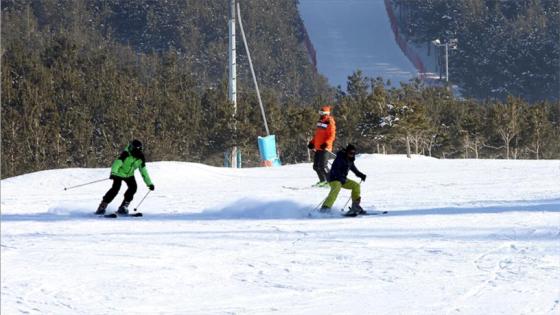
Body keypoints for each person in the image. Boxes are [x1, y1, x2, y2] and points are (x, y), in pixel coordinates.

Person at [95, 139, 155, 215]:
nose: (131, 148)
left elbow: (143, 171)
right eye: (131, 147)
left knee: (133, 188)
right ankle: (102, 206)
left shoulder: (140, 158)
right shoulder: (125, 154)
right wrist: (113, 172)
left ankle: (123, 207)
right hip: (118, 174)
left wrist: (149, 184)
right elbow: (117, 163)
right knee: (115, 189)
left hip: (129, 175)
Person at [321, 144, 367, 215]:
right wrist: (341, 179)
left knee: (356, 186)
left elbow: (355, 170)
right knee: (337, 187)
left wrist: (361, 175)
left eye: (353, 153)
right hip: (333, 178)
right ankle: (325, 208)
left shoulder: (350, 160)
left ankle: (355, 206)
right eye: (350, 153)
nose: (352, 155)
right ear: (346, 152)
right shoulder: (340, 158)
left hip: (342, 179)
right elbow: (335, 171)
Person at [307, 105, 336, 187]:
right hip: (318, 147)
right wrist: (312, 142)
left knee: (323, 166)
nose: (320, 114)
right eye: (319, 112)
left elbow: (332, 135)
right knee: (316, 166)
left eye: (321, 113)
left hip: (325, 148)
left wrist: (326, 144)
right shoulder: (320, 122)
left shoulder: (329, 121)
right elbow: (317, 135)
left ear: (326, 113)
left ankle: (331, 182)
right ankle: (323, 181)